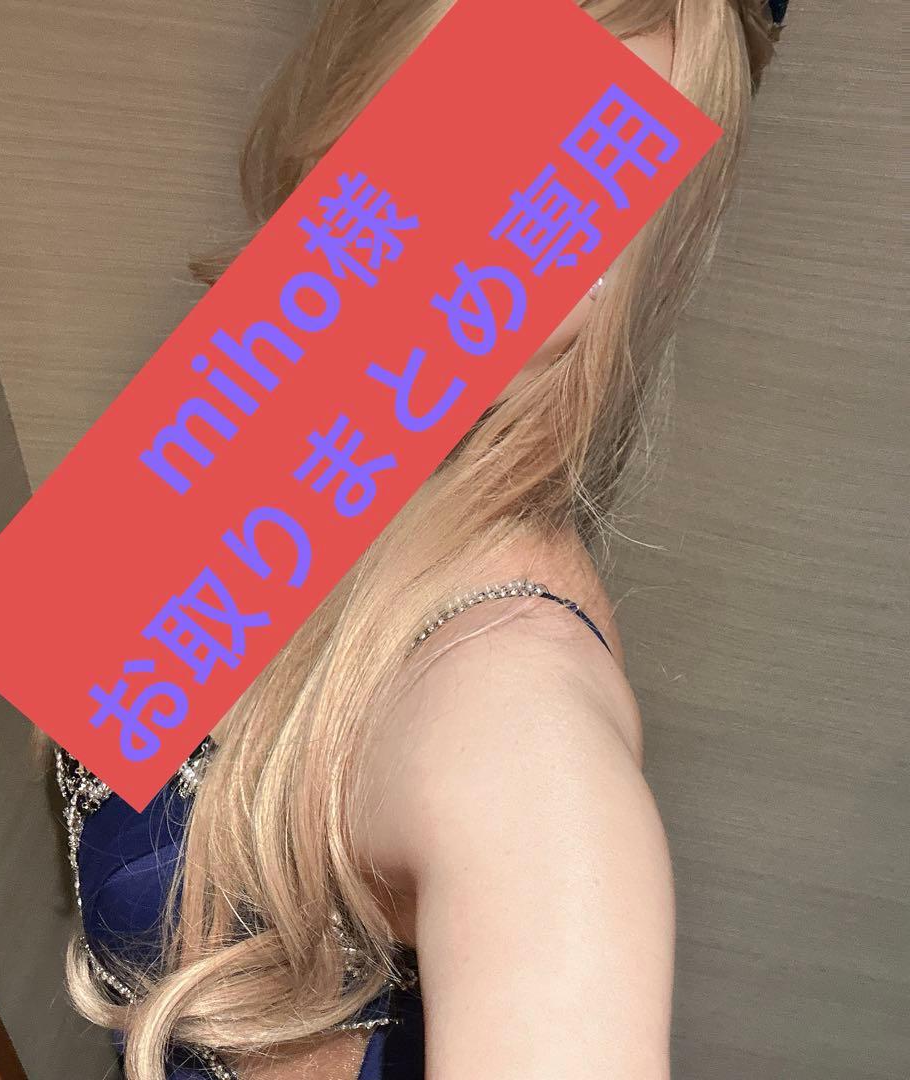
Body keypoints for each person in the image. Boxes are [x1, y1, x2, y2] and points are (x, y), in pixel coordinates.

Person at [54, 2, 787, 1077]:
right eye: (480, 115)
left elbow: (536, 830)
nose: (496, 228)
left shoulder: (514, 720)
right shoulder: (264, 380)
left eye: (597, 181)